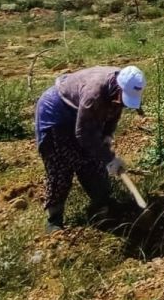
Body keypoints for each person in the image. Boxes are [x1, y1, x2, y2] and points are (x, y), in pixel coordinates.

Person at [33, 65, 145, 232]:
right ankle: (54, 220)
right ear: (119, 88)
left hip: (82, 111)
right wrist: (109, 159)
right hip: (56, 113)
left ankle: (100, 206)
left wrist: (107, 134)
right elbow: (84, 134)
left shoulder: (119, 87)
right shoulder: (95, 94)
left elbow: (116, 109)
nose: (123, 104)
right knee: (61, 166)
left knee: (93, 162)